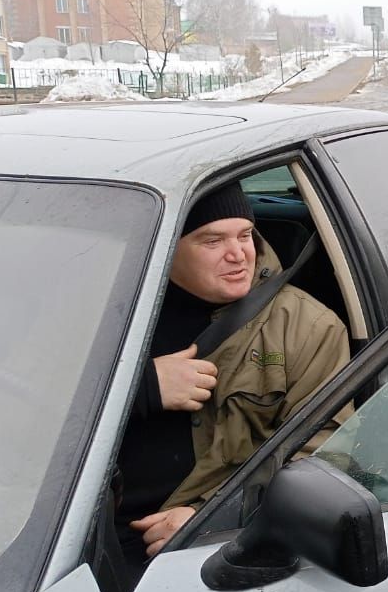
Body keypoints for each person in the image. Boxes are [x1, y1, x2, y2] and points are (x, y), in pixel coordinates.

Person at [114, 182, 351, 567]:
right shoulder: (110, 311)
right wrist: (141, 387)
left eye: (245, 235)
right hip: (78, 531)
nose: (239, 254)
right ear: (167, 247)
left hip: (204, 547)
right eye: (212, 241)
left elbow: (323, 454)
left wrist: (213, 516)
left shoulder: (308, 328)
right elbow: (30, 412)